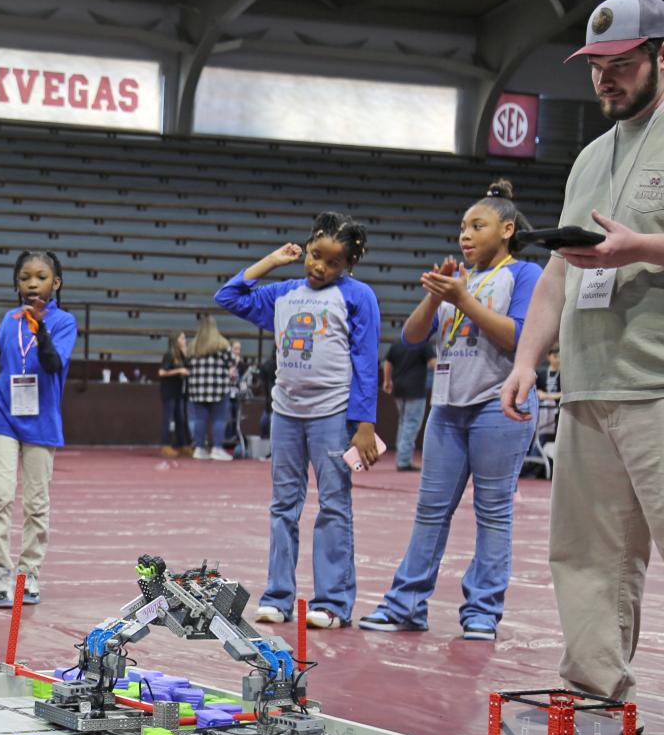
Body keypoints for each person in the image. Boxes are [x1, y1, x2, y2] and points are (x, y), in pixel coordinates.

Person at [500, 0, 664, 708]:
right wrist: (525, 362)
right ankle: (600, 704)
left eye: (623, 63)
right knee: (587, 560)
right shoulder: (591, 158)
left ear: (662, 57)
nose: (607, 79)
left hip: (658, 387)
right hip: (590, 391)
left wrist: (642, 247)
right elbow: (559, 275)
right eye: (597, 66)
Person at [360, 181, 540, 641]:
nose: (465, 234)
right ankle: (405, 604)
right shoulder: (461, 279)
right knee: (430, 511)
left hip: (498, 404)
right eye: (462, 226)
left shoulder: (524, 275)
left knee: (493, 511)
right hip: (447, 408)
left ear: (506, 229)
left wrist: (463, 299)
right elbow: (413, 337)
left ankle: (481, 612)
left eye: (477, 226)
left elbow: (519, 337)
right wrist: (439, 295)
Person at [216, 212, 380, 629]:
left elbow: (365, 361)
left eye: (332, 262)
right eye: (314, 255)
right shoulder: (284, 292)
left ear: (347, 265)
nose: (319, 267)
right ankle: (277, 596)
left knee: (333, 506)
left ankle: (333, 602)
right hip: (286, 415)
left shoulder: (358, 296)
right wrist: (271, 262)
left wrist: (365, 424)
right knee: (283, 506)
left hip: (332, 415)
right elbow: (229, 297)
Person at [0, 251, 77, 609]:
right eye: (25, 277)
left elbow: (53, 363)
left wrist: (40, 329)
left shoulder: (65, 321)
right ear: (17, 283)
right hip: (3, 416)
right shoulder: (9, 319)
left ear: (55, 283)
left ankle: (29, 573)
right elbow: (3, 364)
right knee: (0, 496)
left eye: (40, 277)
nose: (32, 284)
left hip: (42, 420)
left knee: (36, 503)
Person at [184, 315, 235, 461]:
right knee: (219, 419)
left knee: (199, 419)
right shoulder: (222, 344)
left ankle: (199, 448)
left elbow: (187, 364)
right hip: (218, 387)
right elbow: (232, 362)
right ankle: (217, 448)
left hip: (197, 388)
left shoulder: (193, 345)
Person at [382, 335, 434, 471]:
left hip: (399, 387)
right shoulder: (423, 342)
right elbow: (433, 363)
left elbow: (387, 362)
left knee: (403, 423)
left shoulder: (397, 342)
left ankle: (402, 457)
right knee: (411, 424)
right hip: (415, 388)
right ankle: (403, 460)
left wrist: (387, 381)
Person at [156, 331, 189, 457]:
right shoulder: (169, 355)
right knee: (168, 419)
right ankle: (165, 445)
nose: (185, 340)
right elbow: (162, 372)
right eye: (182, 338)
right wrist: (178, 370)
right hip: (169, 391)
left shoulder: (181, 355)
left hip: (179, 391)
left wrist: (186, 354)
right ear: (176, 340)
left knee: (180, 418)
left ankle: (183, 445)